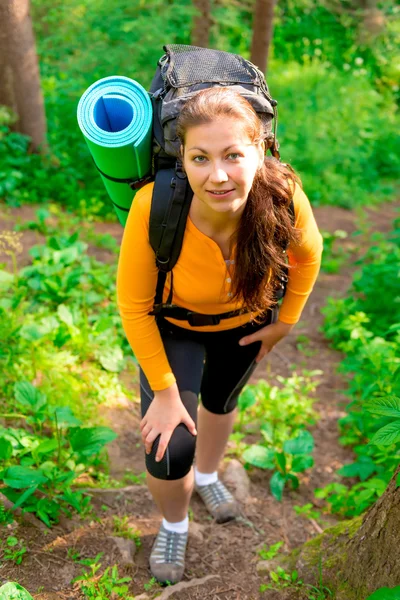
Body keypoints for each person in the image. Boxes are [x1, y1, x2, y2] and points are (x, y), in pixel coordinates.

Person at [117, 86, 323, 584]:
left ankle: (208, 478)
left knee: (221, 401)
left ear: (260, 150)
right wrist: (164, 394)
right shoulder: (154, 206)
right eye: (200, 158)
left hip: (248, 324)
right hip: (175, 327)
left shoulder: (282, 194)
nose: (219, 175)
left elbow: (308, 255)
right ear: (181, 160)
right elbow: (133, 306)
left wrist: (286, 322)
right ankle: (175, 522)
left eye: (233, 154)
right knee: (169, 449)